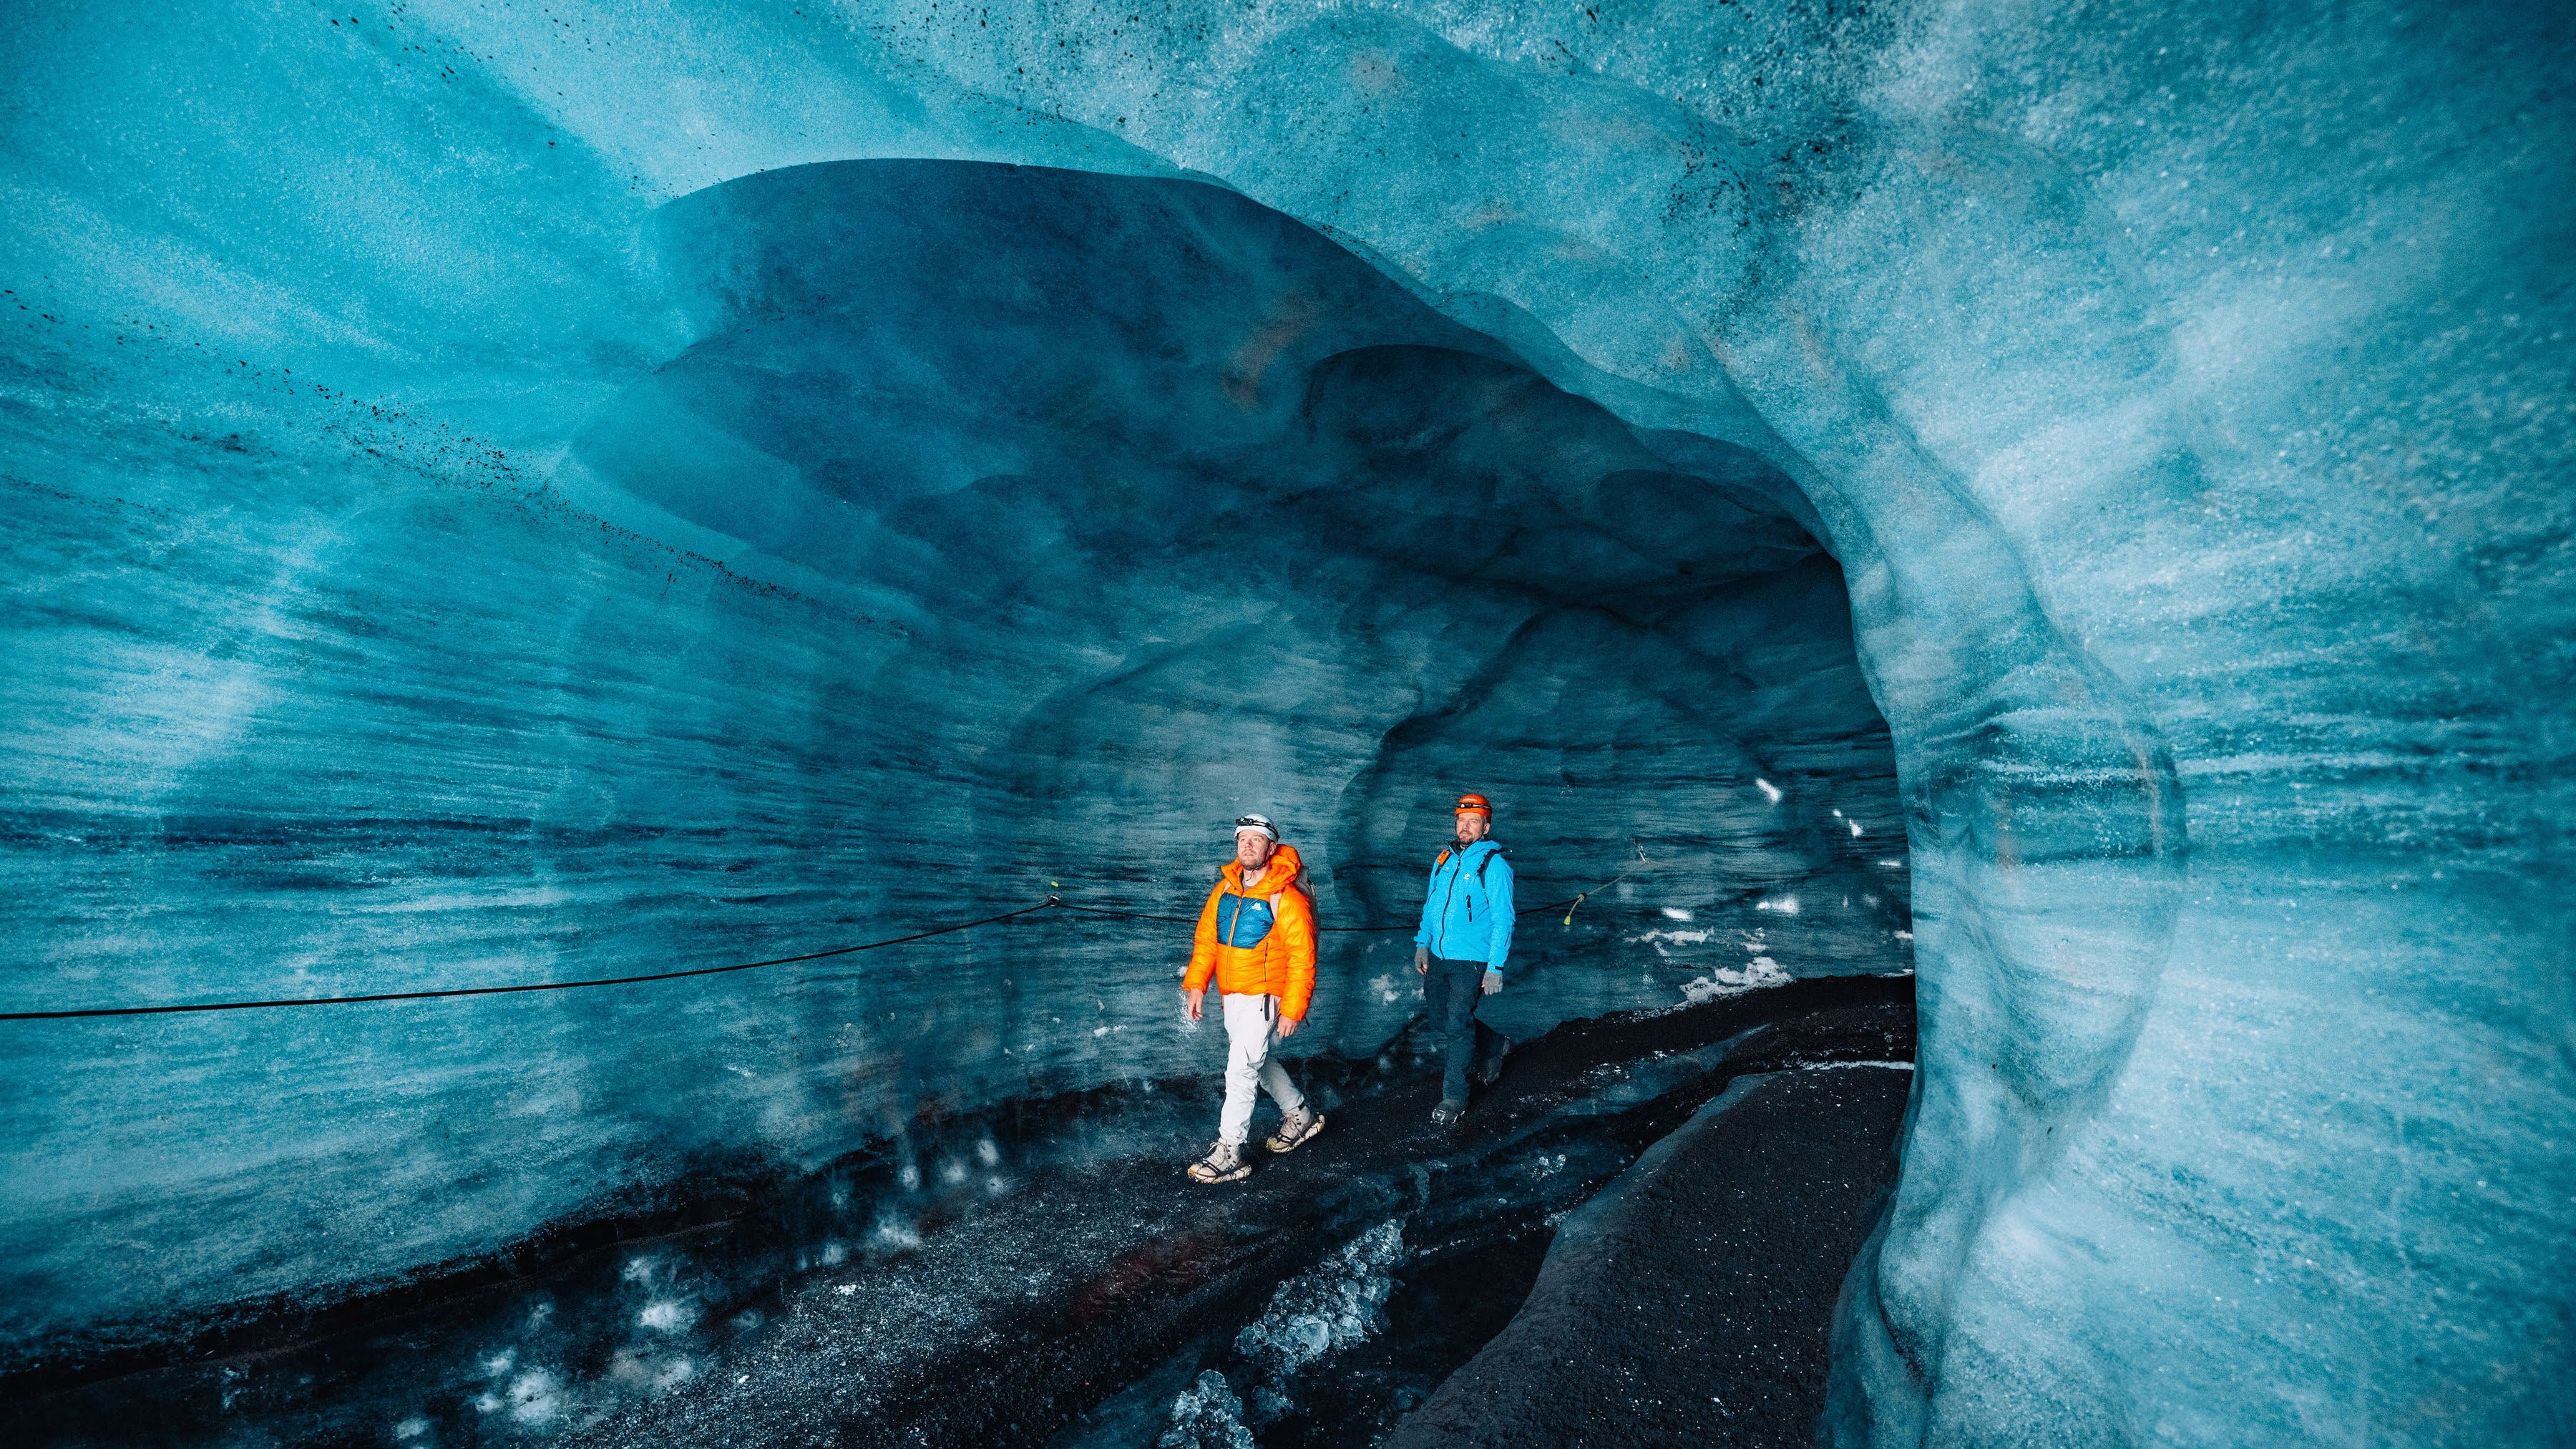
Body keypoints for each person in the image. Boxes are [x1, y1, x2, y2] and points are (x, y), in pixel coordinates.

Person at [1181, 814, 1324, 1184]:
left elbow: (1302, 957)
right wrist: (1197, 985)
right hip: (1233, 998)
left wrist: (1293, 1009)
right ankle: (1300, 1116)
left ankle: (1230, 1149)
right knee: (1257, 1063)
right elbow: (1207, 943)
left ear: (1271, 848)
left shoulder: (1286, 897)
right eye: (1242, 838)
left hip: (1263, 998)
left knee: (1241, 1070)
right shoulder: (1224, 891)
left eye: (1256, 840)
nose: (1247, 845)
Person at [1414, 792, 1514, 1125]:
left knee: (1457, 1023)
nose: (1465, 827)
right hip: (1440, 956)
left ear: (1486, 827)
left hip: (1471, 960)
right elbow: (1431, 905)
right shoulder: (1443, 860)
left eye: (1473, 821)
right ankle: (1494, 1043)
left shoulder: (1494, 866)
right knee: (1441, 1018)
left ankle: (1454, 1097)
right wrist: (1422, 943)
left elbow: (1504, 919)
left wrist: (1495, 967)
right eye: (1461, 820)